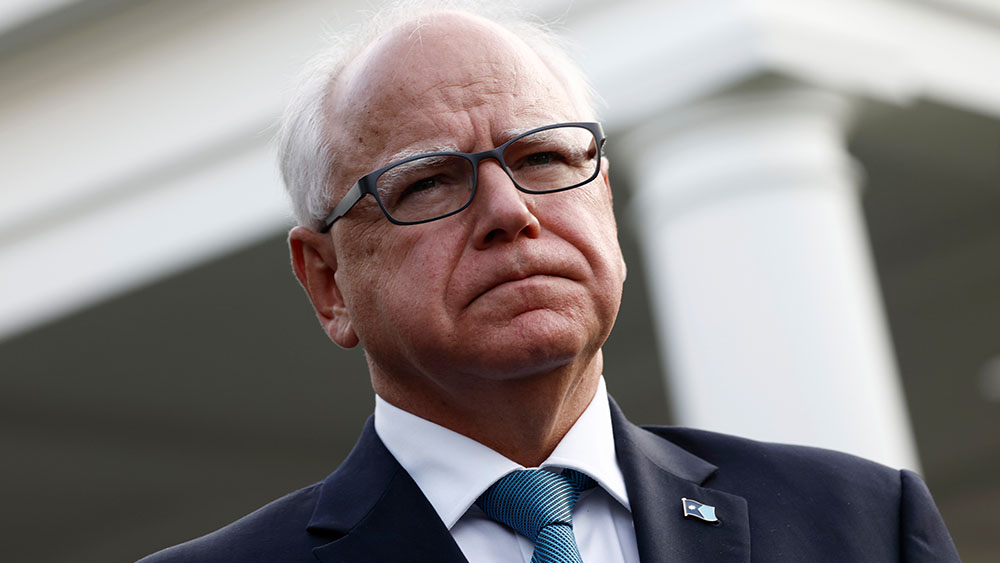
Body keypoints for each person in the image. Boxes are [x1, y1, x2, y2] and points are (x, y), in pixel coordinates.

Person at [139, 3, 959, 562]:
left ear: (604, 200)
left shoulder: (859, 523)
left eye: (542, 158)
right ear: (327, 281)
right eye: (429, 181)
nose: (511, 211)